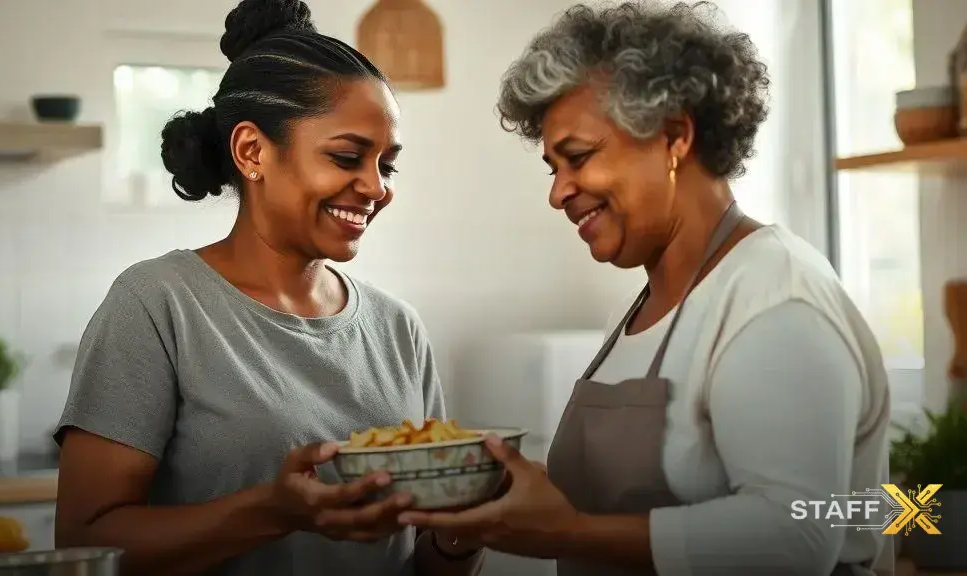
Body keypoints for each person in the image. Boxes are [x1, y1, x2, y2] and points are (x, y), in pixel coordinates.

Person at [399, 2, 894, 575]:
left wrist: (568, 531)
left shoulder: (776, 302)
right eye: (552, 168)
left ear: (675, 136)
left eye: (578, 158)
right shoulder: (650, 303)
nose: (558, 193)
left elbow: (795, 538)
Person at [52, 1, 484, 574]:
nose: (376, 187)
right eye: (348, 156)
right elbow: (85, 542)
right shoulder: (156, 305)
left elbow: (425, 561)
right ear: (252, 151)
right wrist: (270, 511)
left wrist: (460, 534)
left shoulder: (398, 328)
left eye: (388, 165)